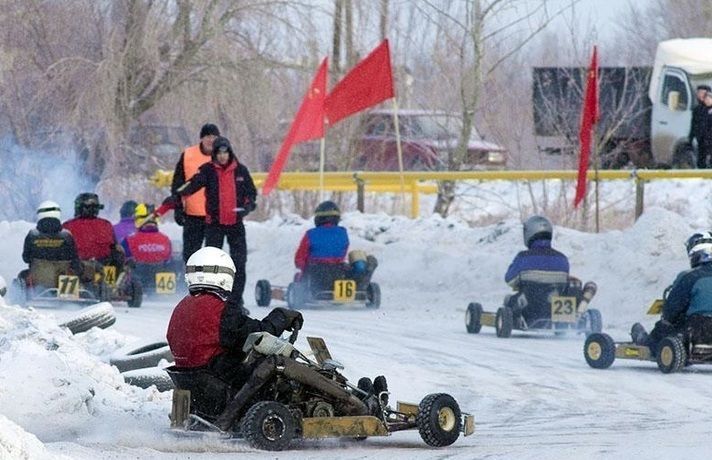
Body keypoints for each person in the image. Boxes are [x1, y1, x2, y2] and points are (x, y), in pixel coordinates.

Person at [166, 246, 303, 389]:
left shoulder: (183, 306)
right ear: (223, 275)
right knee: (276, 364)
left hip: (190, 381)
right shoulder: (218, 309)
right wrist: (281, 317)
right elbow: (258, 335)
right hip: (218, 385)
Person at [170, 136, 257, 305]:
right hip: (214, 224)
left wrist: (247, 207)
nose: (222, 156)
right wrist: (178, 196)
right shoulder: (207, 170)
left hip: (235, 224)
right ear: (214, 155)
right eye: (219, 153)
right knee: (211, 264)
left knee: (239, 263)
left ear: (230, 153)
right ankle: (210, 301)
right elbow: (190, 186)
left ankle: (236, 301)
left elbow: (251, 194)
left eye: (225, 152)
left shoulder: (241, 171)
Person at [631, 231, 712, 355]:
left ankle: (647, 343)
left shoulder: (690, 277)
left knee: (666, 324)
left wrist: (666, 320)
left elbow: (673, 308)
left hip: (697, 330)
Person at [294, 200, 377, 290]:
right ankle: (359, 287)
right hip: (338, 273)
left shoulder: (310, 234)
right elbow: (342, 253)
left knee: (299, 277)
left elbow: (299, 260)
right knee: (367, 260)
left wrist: (305, 267)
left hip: (316, 275)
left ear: (318, 218)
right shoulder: (342, 233)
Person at [504, 215, 571, 324]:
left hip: (529, 310)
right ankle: (562, 322)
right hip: (555, 309)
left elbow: (509, 279)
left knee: (508, 300)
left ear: (529, 233)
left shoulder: (524, 257)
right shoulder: (563, 258)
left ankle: (519, 320)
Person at [171, 123, 221, 263]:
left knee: (213, 255)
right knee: (190, 255)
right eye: (208, 136)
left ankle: (211, 283)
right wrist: (178, 208)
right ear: (201, 138)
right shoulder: (188, 155)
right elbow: (177, 185)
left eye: (214, 137)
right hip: (193, 215)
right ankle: (193, 283)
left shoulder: (223, 156)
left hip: (215, 215)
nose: (211, 140)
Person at [62, 193, 124, 282]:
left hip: (76, 271)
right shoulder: (106, 225)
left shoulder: (67, 225)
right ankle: (111, 284)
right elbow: (116, 247)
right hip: (102, 272)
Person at [21, 201, 82, 287]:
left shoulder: (32, 235)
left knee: (22, 276)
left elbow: (26, 258)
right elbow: (74, 258)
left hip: (38, 279)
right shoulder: (67, 236)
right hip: (64, 280)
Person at [689, 85, 711, 168]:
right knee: (701, 161)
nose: (700, 95)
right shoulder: (697, 110)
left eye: (702, 93)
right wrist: (690, 139)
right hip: (701, 140)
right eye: (698, 93)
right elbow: (693, 125)